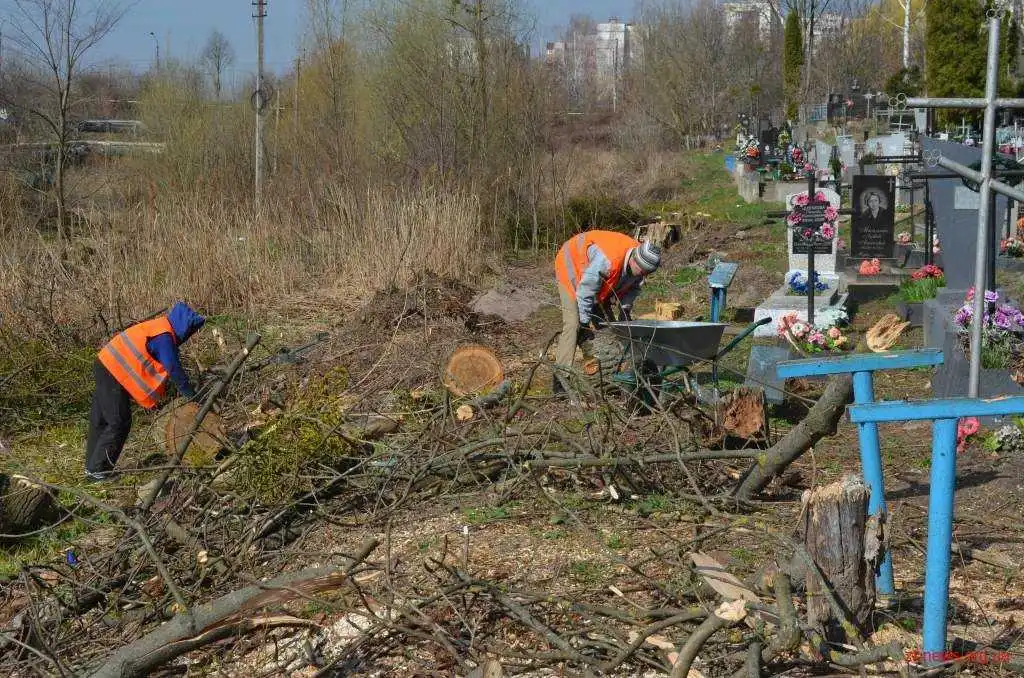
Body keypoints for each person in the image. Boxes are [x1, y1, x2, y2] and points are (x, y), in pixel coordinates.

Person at [85, 302, 206, 481]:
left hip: (105, 363)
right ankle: (98, 470)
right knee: (119, 421)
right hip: (112, 370)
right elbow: (173, 368)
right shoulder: (164, 336)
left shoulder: (158, 327)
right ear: (183, 327)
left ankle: (92, 468)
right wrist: (192, 395)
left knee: (101, 419)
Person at [553, 230, 661, 393]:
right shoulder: (608, 260)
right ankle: (560, 380)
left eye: (646, 273)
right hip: (572, 266)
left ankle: (614, 373)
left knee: (610, 326)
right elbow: (585, 291)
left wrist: (625, 309)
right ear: (634, 259)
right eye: (641, 271)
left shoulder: (641, 263)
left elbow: (634, 287)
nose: (642, 275)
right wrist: (584, 322)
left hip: (596, 278)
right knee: (573, 324)